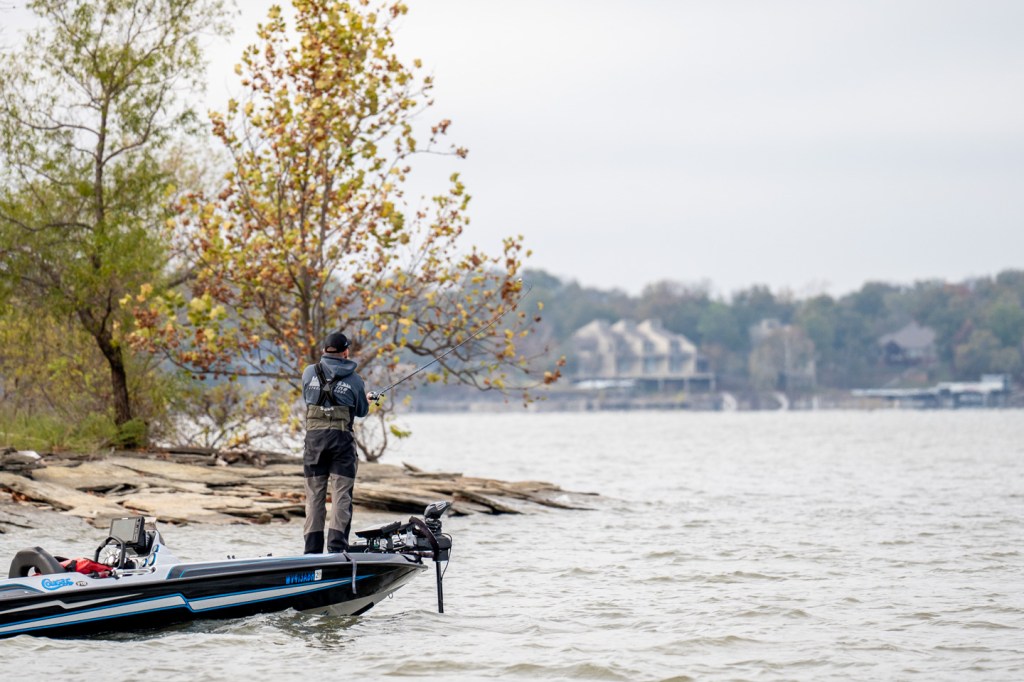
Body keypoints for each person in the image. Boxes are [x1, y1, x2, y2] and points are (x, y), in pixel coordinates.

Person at [300, 331, 370, 553]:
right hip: (341, 442)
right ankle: (337, 548)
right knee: (341, 494)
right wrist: (366, 399)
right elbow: (361, 411)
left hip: (314, 441)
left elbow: (308, 399)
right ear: (346, 352)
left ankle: (312, 551)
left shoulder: (308, 372)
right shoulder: (355, 380)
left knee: (314, 496)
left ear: (324, 351)